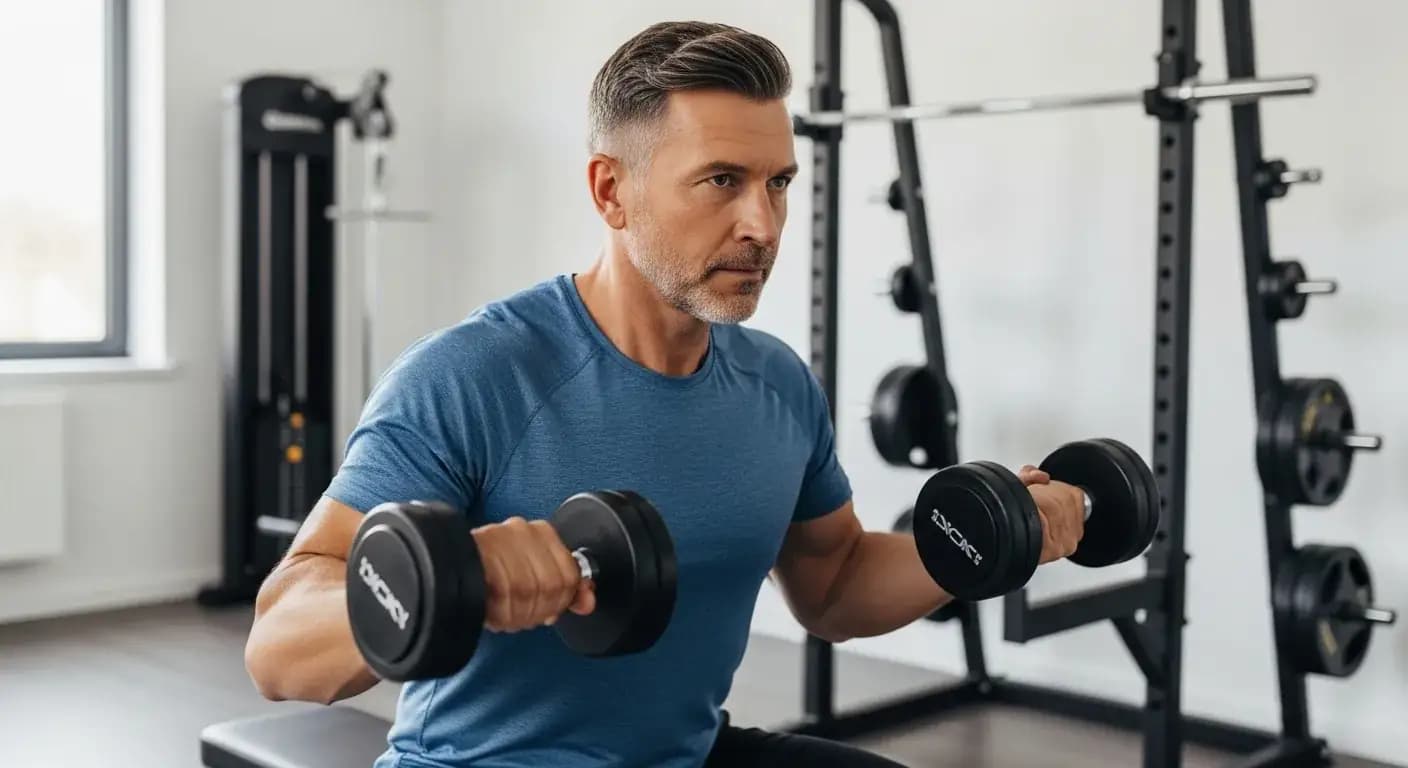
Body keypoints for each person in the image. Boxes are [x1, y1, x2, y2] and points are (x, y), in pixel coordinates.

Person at [243, 20, 1087, 768]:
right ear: (612, 190)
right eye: (722, 180)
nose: (762, 225)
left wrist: (988, 534)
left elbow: (834, 585)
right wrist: (452, 575)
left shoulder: (779, 386)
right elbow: (278, 649)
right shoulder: (472, 375)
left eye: (779, 183)